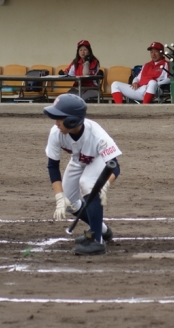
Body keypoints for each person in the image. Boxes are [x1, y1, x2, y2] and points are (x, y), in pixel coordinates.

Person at [44, 94, 122, 256]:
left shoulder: (97, 136)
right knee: (69, 203)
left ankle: (97, 241)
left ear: (72, 121)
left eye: (59, 118)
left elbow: (115, 167)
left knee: (88, 184)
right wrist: (59, 196)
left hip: (98, 159)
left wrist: (104, 185)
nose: (56, 123)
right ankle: (102, 230)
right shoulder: (56, 133)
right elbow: (52, 166)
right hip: (79, 160)